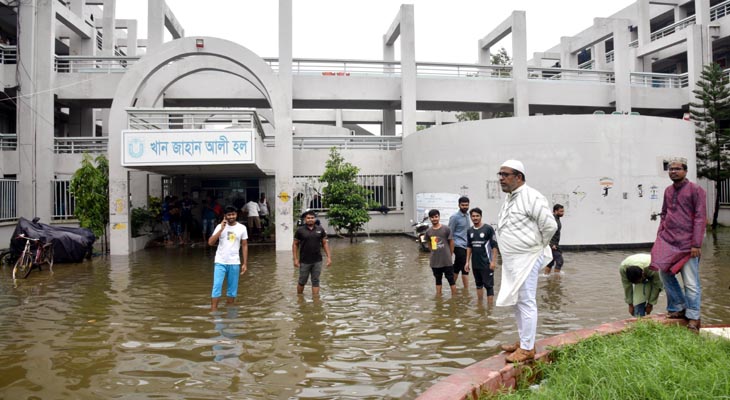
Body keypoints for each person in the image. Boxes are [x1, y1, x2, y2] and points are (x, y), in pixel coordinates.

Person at [495, 160, 558, 363]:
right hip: (514, 261)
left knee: (527, 300)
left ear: (519, 177)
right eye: (500, 174)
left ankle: (528, 348)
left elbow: (549, 226)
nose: (501, 178)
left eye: (505, 174)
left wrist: (538, 246)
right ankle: (524, 341)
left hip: (528, 257)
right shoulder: (511, 198)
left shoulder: (532, 196)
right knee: (518, 300)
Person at [650, 158, 706, 332]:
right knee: (664, 274)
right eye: (670, 169)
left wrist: (696, 244)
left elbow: (700, 217)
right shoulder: (668, 191)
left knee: (691, 283)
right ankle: (678, 307)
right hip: (669, 241)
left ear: (685, 171)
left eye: (677, 169)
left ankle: (694, 317)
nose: (673, 171)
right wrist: (660, 234)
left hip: (688, 244)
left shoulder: (696, 190)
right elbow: (665, 213)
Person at [207, 205, 248, 311]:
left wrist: (245, 263)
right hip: (220, 261)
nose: (231, 217)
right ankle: (214, 311)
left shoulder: (242, 228)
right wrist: (221, 229)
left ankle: (230, 312)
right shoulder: (219, 227)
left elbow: (244, 245)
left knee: (232, 290)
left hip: (234, 262)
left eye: (233, 214)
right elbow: (210, 243)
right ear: (225, 216)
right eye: (228, 215)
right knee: (216, 287)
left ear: (236, 214)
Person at [293, 210, 332, 296]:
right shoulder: (300, 230)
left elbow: (325, 243)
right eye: (308, 218)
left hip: (317, 260)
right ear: (305, 219)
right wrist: (295, 259)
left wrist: (329, 257)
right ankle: (299, 297)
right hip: (304, 261)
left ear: (315, 219)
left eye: (312, 218)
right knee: (302, 281)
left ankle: (316, 300)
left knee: (315, 281)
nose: (310, 219)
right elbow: (295, 244)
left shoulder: (320, 229)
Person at [465, 207, 499, 304]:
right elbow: (469, 246)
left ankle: (489, 309)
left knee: (489, 286)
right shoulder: (469, 231)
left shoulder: (488, 229)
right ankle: (480, 306)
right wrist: (467, 262)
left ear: (481, 216)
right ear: (471, 217)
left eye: (477, 216)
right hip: (475, 264)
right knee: (478, 285)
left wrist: (493, 261)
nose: (475, 218)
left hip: (487, 263)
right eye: (473, 216)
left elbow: (494, 246)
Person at [424, 209, 457, 296]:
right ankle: (439, 298)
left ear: (439, 217)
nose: (434, 219)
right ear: (429, 218)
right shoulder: (428, 232)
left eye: (436, 216)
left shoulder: (446, 229)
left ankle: (454, 298)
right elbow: (429, 244)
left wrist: (450, 254)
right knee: (438, 280)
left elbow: (451, 242)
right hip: (435, 261)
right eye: (432, 217)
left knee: (451, 280)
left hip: (447, 261)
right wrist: (433, 252)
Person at [448, 196, 471, 288]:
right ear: (459, 205)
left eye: (466, 205)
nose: (465, 207)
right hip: (457, 245)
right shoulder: (454, 217)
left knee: (461, 266)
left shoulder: (468, 215)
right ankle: (463, 289)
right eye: (463, 205)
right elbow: (450, 233)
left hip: (467, 245)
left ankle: (457, 287)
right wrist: (450, 249)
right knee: (463, 266)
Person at [543, 204, 565, 275]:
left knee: (551, 261)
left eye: (563, 211)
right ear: (555, 211)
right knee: (560, 261)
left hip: (554, 244)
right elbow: (549, 232)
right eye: (561, 211)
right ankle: (556, 281)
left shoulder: (556, 218)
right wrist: (552, 244)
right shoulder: (553, 220)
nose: (562, 213)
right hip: (552, 245)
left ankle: (546, 277)